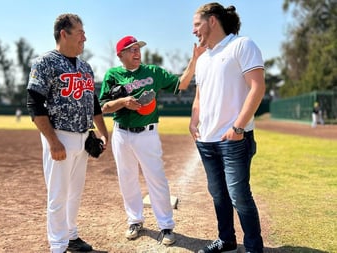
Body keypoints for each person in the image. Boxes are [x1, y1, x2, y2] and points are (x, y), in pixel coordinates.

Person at [99, 35, 203, 246]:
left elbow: (181, 84)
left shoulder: (153, 72)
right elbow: (103, 107)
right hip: (122, 134)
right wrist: (123, 102)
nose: (137, 52)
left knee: (156, 179)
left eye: (138, 49)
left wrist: (194, 60)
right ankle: (135, 221)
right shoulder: (112, 74)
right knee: (126, 179)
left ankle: (166, 226)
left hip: (147, 134)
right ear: (120, 55)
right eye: (131, 50)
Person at [26, 13, 109, 253]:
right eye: (80, 32)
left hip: (84, 137)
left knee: (75, 193)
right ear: (64, 33)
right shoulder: (45, 62)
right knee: (58, 195)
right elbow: (34, 104)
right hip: (59, 135)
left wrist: (103, 133)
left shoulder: (85, 67)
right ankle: (58, 246)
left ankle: (71, 236)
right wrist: (53, 141)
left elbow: (92, 103)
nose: (85, 37)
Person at [188, 3, 265, 253]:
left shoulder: (242, 45)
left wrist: (238, 127)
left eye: (196, 24)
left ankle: (253, 247)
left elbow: (257, 87)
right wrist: (193, 120)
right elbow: (199, 96)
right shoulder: (203, 59)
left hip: (234, 139)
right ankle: (227, 240)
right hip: (207, 141)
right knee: (218, 195)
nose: (194, 31)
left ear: (212, 21)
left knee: (239, 196)